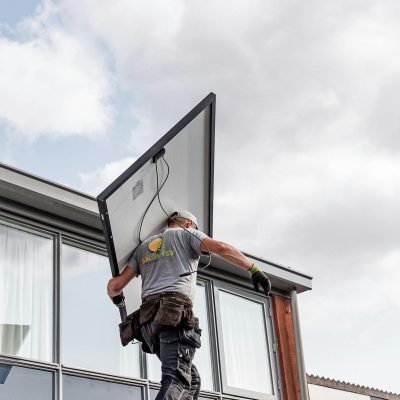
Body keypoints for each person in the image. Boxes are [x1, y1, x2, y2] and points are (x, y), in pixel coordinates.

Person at [107, 210, 271, 400]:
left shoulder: (143, 247)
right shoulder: (186, 234)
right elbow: (222, 247)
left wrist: (118, 299)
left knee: (191, 380)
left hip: (148, 325)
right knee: (176, 378)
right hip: (172, 316)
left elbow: (114, 286)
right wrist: (253, 269)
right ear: (188, 225)